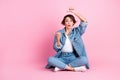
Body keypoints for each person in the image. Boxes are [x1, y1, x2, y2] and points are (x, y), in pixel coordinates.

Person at [45, 8, 90, 72]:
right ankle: (73, 68)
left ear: (73, 23)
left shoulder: (77, 31)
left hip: (73, 57)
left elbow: (84, 21)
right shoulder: (59, 33)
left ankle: (61, 67)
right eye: (67, 21)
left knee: (84, 59)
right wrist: (58, 39)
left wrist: (74, 12)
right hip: (62, 57)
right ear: (64, 23)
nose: (69, 23)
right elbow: (56, 49)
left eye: (71, 21)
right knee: (50, 59)